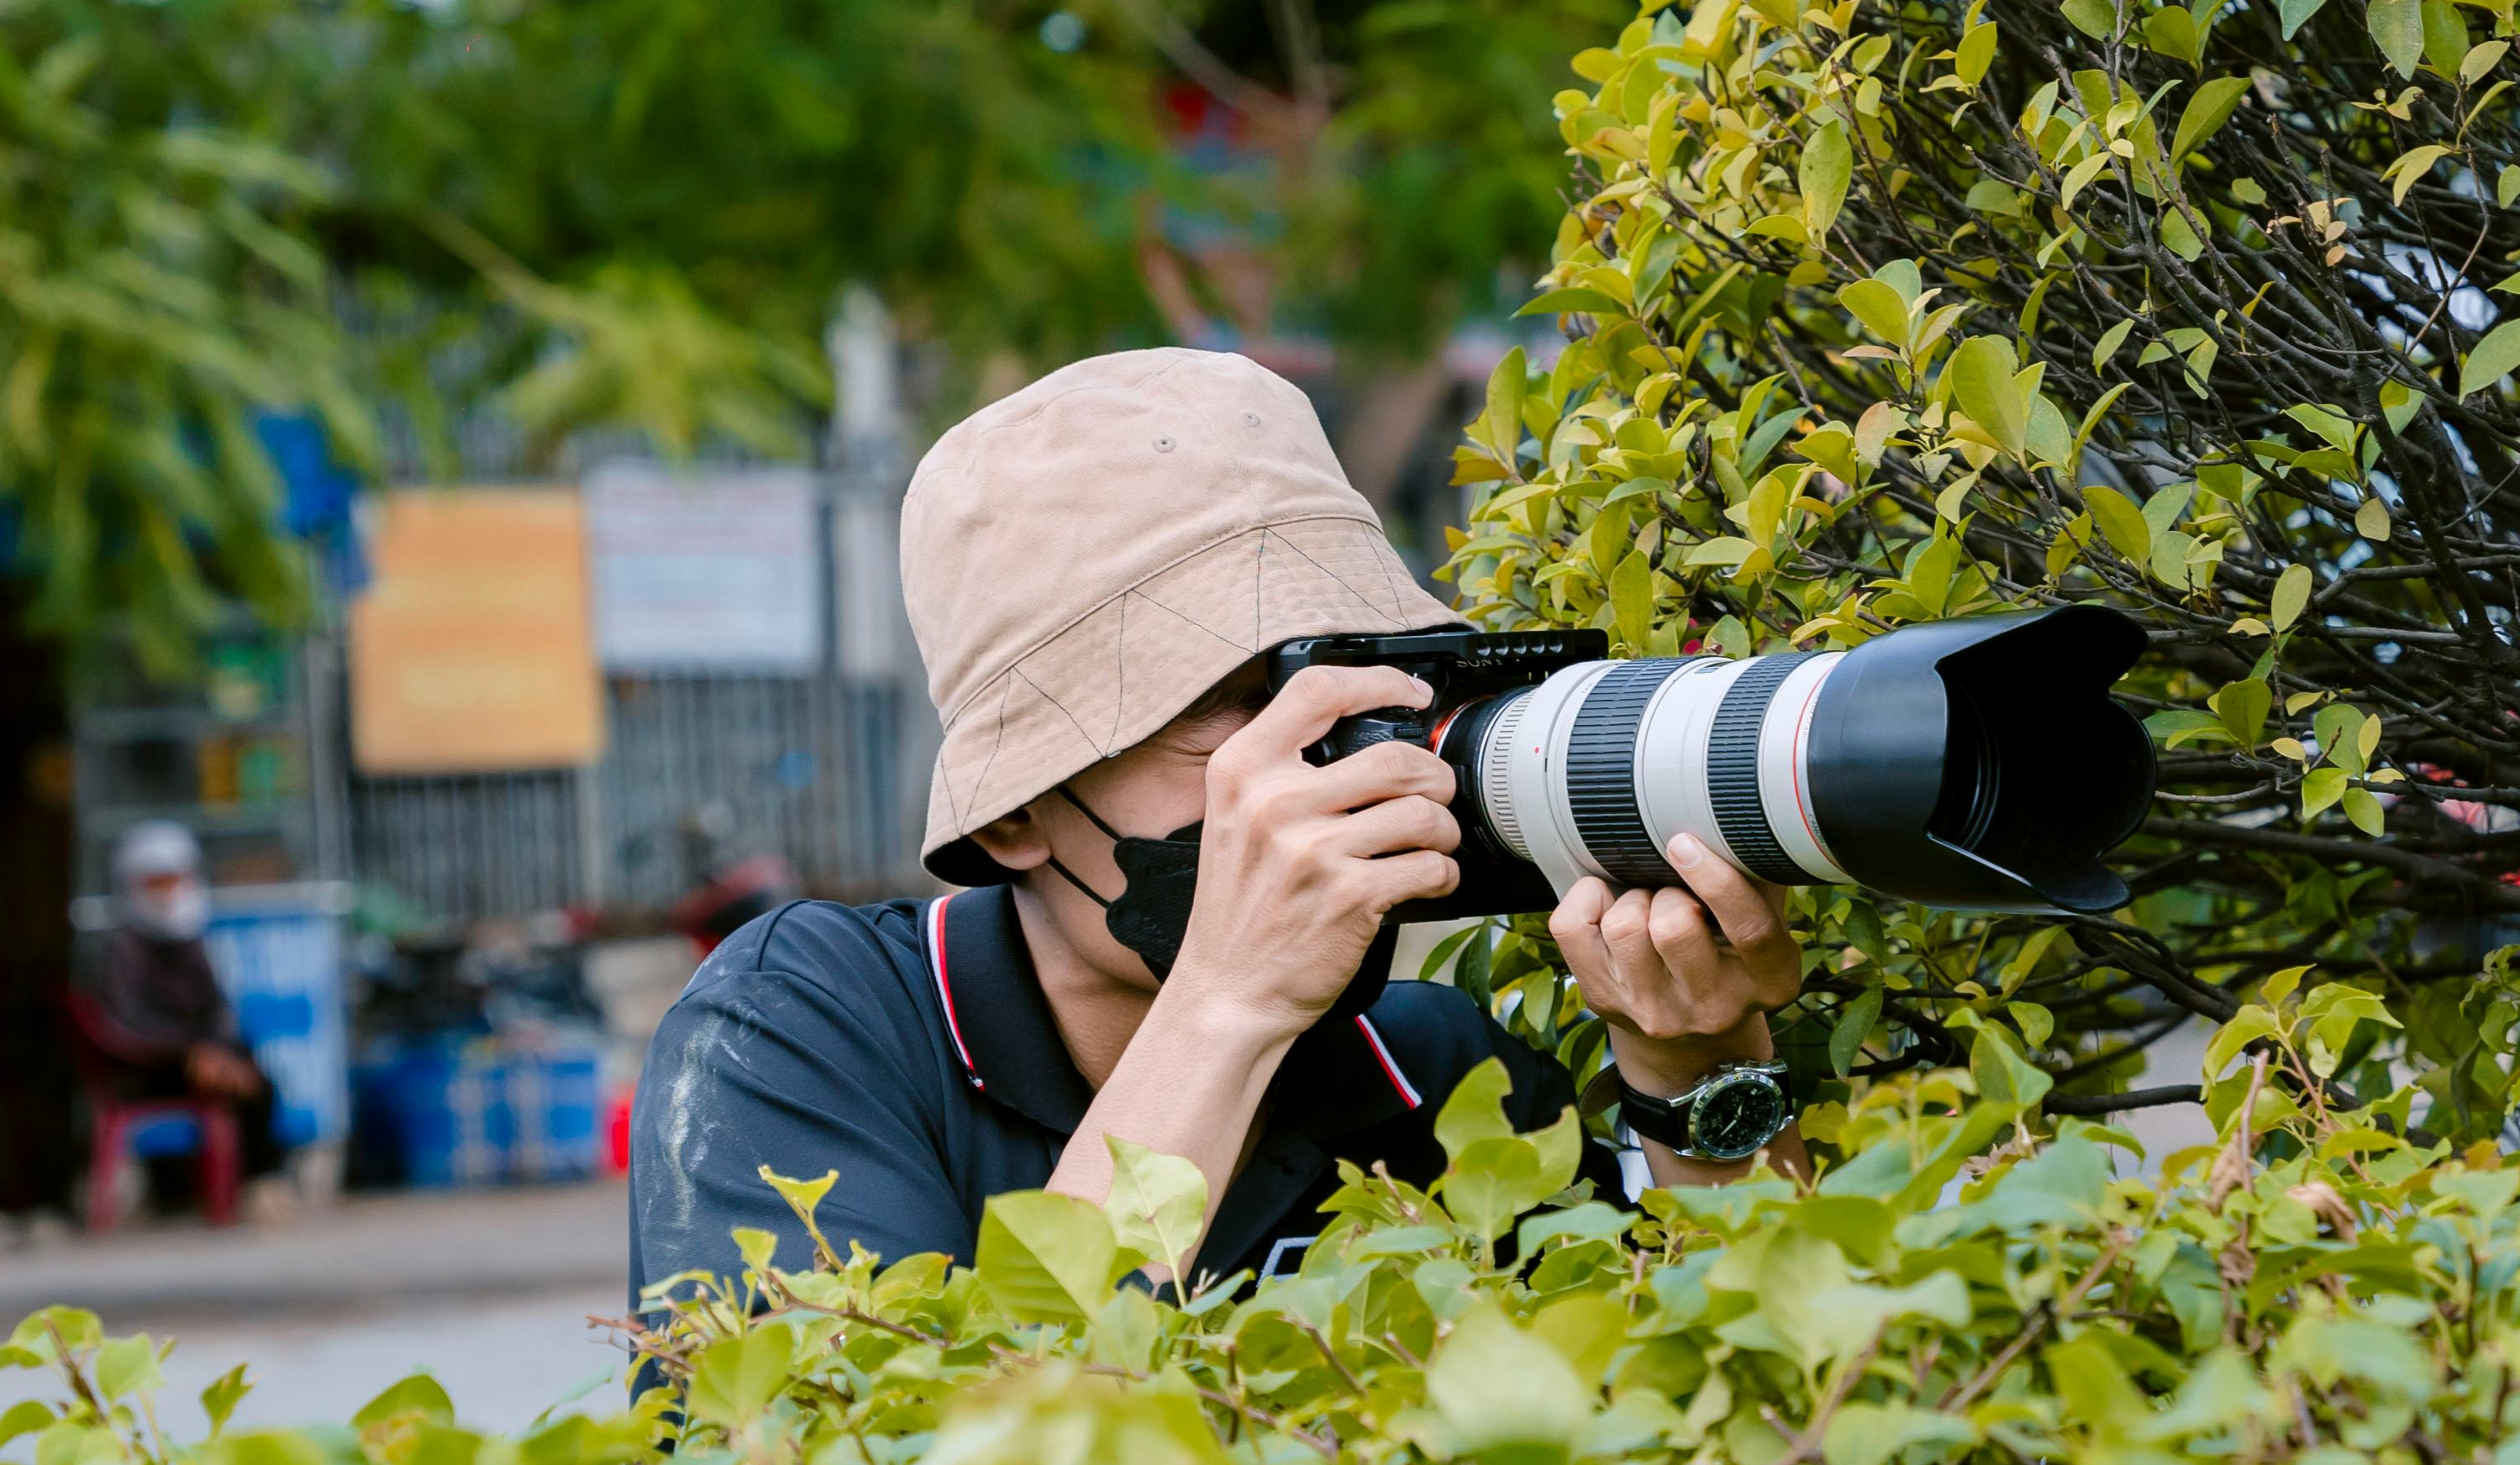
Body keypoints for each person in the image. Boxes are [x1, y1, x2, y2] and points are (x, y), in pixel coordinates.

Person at [627, 347, 1807, 1311]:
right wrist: (1229, 1001)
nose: (1324, 761)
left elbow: (1744, 1436)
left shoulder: (1436, 1074)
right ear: (1021, 813)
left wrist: (1698, 1071)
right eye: (1236, 707)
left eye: (1364, 686)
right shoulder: (807, 1028)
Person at [79, 820, 268, 1111]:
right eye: (158, 883)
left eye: (175, 880)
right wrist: (191, 1051)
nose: (169, 892)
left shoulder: (193, 941)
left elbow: (218, 1006)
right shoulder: (123, 950)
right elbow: (131, 1021)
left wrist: (216, 1050)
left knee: (258, 1082)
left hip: (203, 1055)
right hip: (150, 1066)